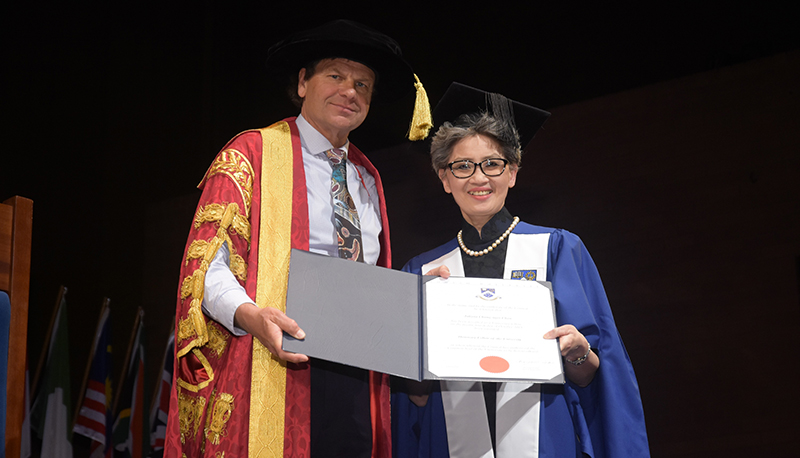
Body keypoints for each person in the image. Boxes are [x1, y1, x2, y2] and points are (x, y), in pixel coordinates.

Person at [164, 20, 430, 458]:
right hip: (270, 355)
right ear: (303, 82)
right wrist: (251, 316)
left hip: (356, 372)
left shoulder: (367, 177)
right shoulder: (252, 154)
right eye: (335, 76)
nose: (350, 91)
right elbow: (206, 267)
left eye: (362, 84)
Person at [392, 83, 649, 457]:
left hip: (546, 437)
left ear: (512, 172)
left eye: (492, 164)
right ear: (444, 179)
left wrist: (578, 352)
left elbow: (592, 373)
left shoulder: (558, 249)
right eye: (462, 166)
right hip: (450, 441)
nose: (478, 178)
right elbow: (413, 398)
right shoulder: (423, 271)